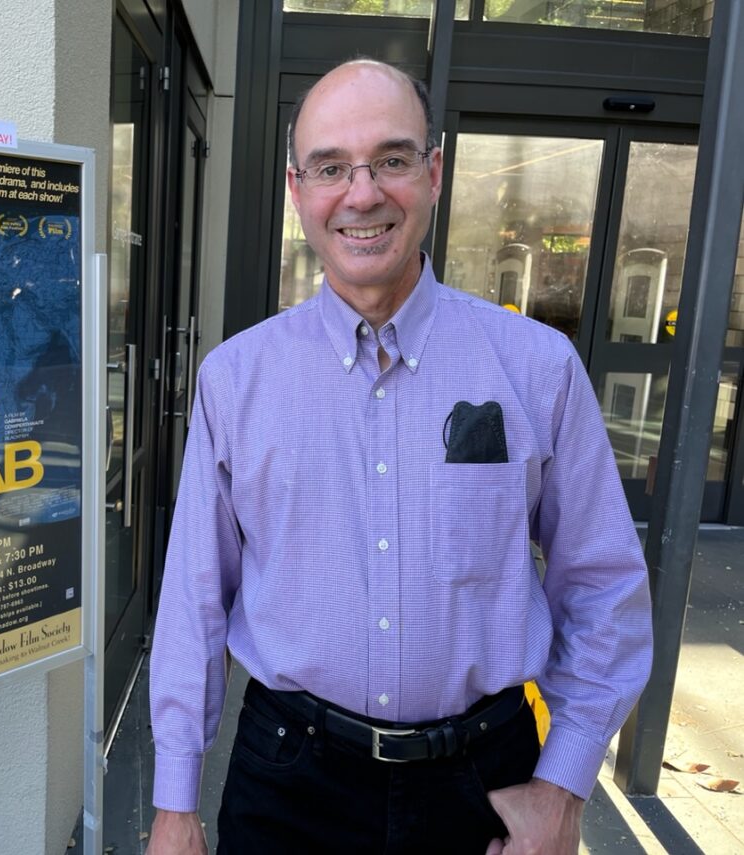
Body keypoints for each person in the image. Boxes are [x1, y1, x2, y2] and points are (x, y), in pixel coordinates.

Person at [145, 59, 652, 854]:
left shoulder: (536, 368)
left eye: (391, 158)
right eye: (330, 167)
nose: (362, 193)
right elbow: (193, 603)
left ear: (435, 170)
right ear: (296, 189)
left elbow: (604, 586)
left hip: (486, 785)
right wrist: (175, 804)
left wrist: (563, 787)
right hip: (289, 782)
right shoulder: (236, 380)